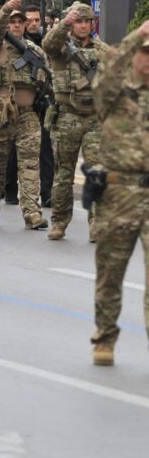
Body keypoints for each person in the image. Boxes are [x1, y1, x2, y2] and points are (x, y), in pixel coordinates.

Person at [89, 20, 149, 366]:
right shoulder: (113, 93)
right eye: (145, 54)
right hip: (119, 193)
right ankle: (105, 337)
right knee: (111, 271)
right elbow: (108, 69)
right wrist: (137, 36)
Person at [42, 2, 111, 241]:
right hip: (67, 116)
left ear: (92, 24)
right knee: (63, 174)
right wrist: (64, 23)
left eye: (86, 21)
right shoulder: (61, 48)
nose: (82, 26)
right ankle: (59, 222)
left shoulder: (102, 50)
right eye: (79, 21)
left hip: (94, 119)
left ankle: (98, 225)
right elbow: (48, 44)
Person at [0, 0, 49, 230]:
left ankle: (32, 212)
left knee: (30, 165)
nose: (17, 25)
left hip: (28, 115)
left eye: (21, 22)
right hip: (1, 115)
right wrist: (6, 9)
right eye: (13, 22)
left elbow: (48, 79)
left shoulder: (35, 52)